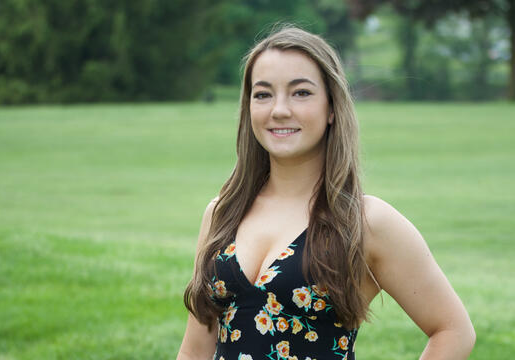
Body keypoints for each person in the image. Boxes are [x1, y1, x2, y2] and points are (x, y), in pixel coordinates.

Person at [177, 25, 475, 360]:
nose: (279, 110)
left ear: (331, 108)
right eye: (263, 94)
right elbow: (194, 352)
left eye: (300, 93)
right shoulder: (222, 213)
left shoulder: (365, 221)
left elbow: (453, 330)